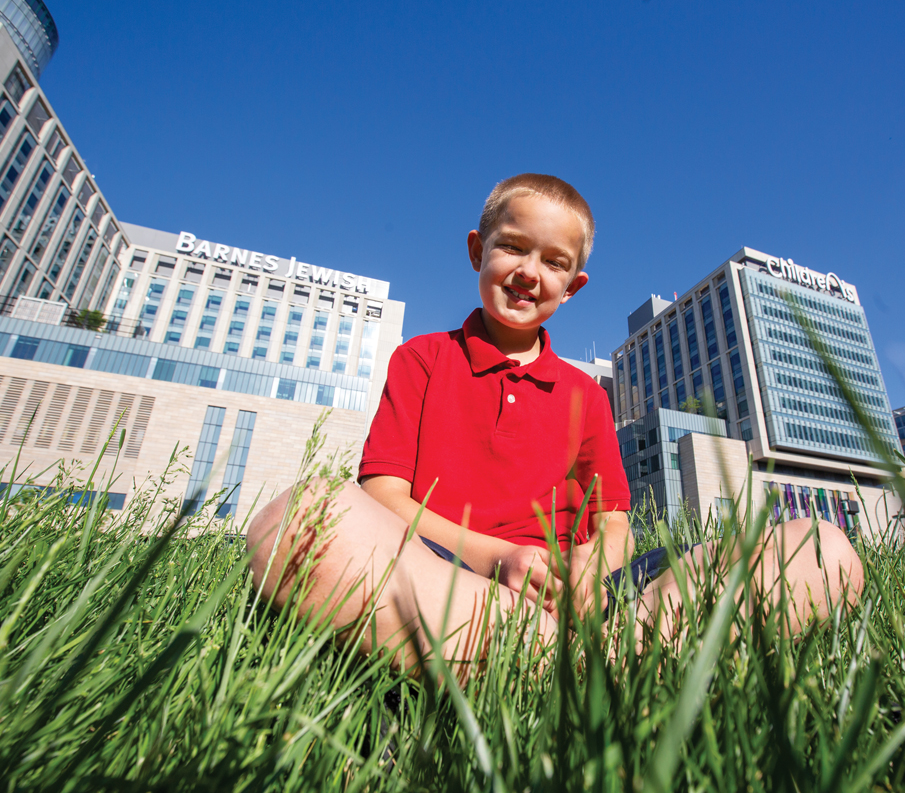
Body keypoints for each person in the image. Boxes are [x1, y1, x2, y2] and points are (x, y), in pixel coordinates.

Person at [245, 174, 864, 673]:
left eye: (553, 261)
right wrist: (505, 560)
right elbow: (382, 497)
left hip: (587, 593)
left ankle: (609, 646)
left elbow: (614, 522)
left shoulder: (585, 396)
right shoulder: (423, 359)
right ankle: (593, 662)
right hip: (448, 573)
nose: (528, 272)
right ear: (476, 251)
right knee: (297, 522)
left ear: (572, 286)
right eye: (512, 246)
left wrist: (592, 574)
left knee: (823, 549)